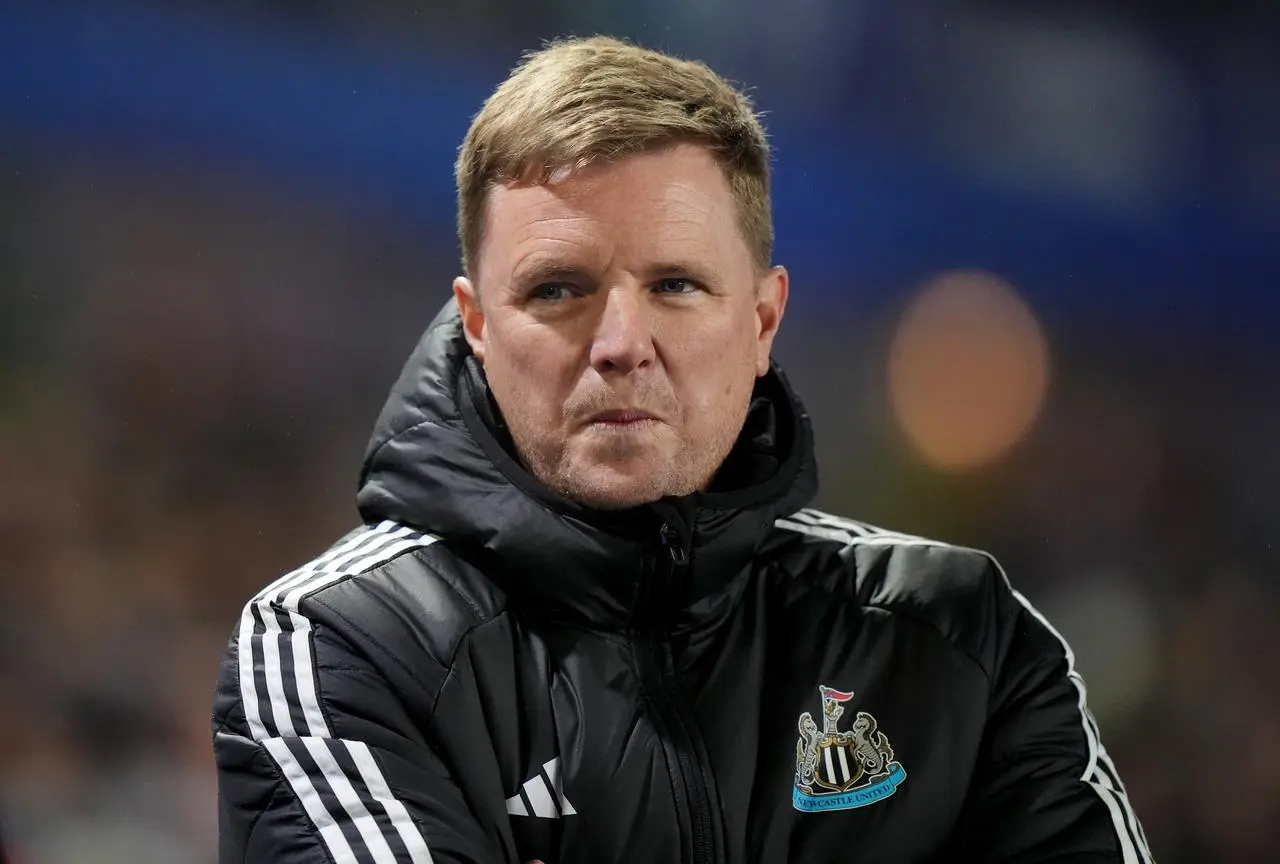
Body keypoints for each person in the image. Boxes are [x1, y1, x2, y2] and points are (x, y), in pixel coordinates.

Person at [212, 35, 1154, 864]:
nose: (621, 339)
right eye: (556, 290)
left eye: (674, 284)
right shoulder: (338, 646)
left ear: (763, 320)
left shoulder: (960, 641)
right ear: (478, 326)